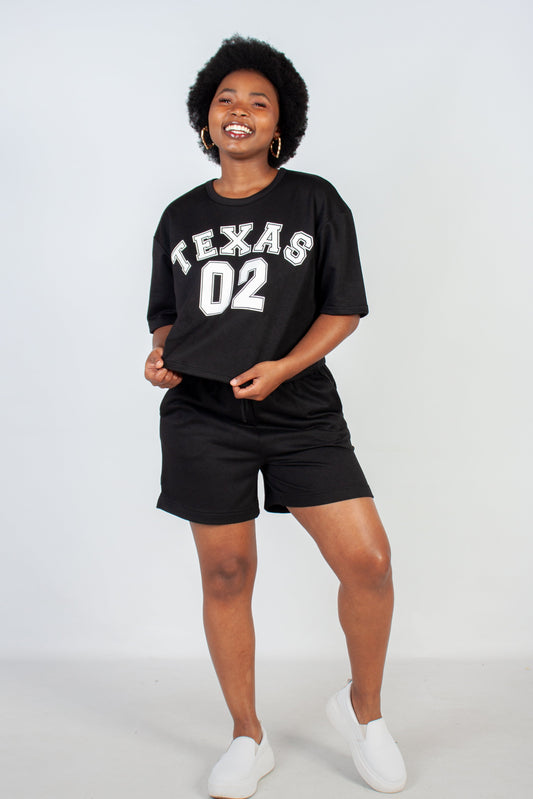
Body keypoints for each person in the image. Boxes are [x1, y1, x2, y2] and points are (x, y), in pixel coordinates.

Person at [144, 34, 407, 798]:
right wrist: (159, 355)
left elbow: (342, 307)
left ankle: (362, 712)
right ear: (205, 117)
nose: (239, 111)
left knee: (368, 562)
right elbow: (167, 316)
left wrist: (285, 367)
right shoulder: (179, 216)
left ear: (279, 123)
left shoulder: (314, 200)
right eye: (225, 99)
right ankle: (246, 736)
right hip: (202, 415)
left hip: (298, 409)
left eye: (258, 102)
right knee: (226, 572)